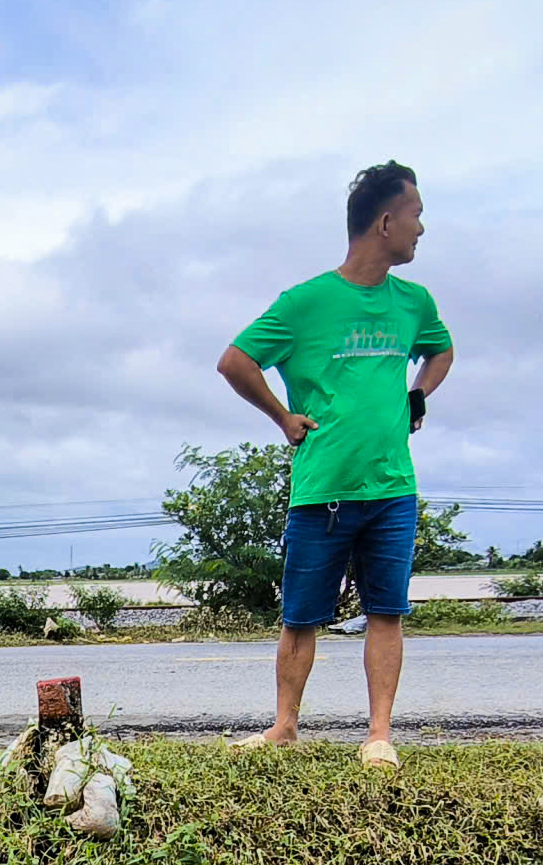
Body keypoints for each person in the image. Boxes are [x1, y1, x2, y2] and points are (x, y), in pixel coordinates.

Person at [218, 161, 454, 767]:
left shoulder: (414, 302)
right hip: (321, 488)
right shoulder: (306, 303)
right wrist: (282, 417)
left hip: (392, 488)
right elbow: (236, 361)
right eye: (416, 215)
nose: (421, 228)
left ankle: (379, 736)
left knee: (387, 610)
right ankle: (285, 726)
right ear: (384, 222)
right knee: (300, 615)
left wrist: (417, 395)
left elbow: (441, 349)